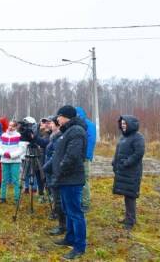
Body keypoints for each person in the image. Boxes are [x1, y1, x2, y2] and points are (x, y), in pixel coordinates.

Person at [51, 105, 87, 260]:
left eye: (59, 115)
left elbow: (71, 156)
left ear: (66, 116)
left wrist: (59, 170)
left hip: (72, 179)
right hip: (66, 178)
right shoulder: (69, 131)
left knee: (75, 213)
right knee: (68, 211)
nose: (57, 118)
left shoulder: (77, 131)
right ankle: (70, 238)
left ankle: (79, 247)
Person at [112, 115, 145, 230]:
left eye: (125, 124)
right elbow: (118, 151)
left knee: (130, 195)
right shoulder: (123, 137)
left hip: (132, 171)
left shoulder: (138, 137)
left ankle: (130, 221)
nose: (123, 126)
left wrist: (126, 163)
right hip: (123, 171)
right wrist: (114, 162)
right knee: (127, 194)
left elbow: (138, 153)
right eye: (122, 124)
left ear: (131, 125)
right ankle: (128, 217)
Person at [43, 116, 66, 235]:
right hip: (51, 169)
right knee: (55, 196)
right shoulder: (53, 137)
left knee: (58, 198)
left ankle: (62, 225)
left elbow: (55, 155)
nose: (49, 125)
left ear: (58, 125)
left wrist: (47, 166)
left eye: (51, 123)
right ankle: (60, 221)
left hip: (54, 170)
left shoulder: (59, 138)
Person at [0, 120, 24, 204]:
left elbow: (21, 149)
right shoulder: (3, 135)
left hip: (15, 161)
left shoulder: (19, 136)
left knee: (16, 180)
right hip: (4, 160)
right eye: (9, 125)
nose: (10, 127)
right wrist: (4, 153)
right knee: (4, 180)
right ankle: (2, 198)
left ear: (16, 127)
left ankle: (17, 199)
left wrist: (11, 155)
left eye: (12, 126)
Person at [76, 107, 97, 212]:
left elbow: (91, 141)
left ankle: (86, 203)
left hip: (84, 157)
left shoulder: (89, 125)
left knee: (84, 179)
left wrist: (86, 156)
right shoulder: (77, 124)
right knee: (78, 180)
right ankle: (80, 200)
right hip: (77, 157)